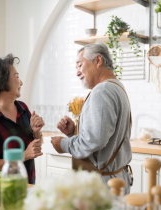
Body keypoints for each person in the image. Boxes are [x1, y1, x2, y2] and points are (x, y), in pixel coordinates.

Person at [51, 42, 133, 194]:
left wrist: (64, 144)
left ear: (98, 61)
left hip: (103, 185)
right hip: (116, 180)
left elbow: (94, 140)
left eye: (80, 65)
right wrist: (73, 132)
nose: (77, 72)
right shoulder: (117, 87)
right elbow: (105, 138)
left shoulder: (102, 90)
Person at [0, 54, 44, 184]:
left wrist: (37, 133)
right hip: (4, 193)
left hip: (28, 187)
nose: (21, 82)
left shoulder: (23, 108)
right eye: (16, 77)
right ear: (2, 81)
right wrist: (23, 155)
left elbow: (35, 146)